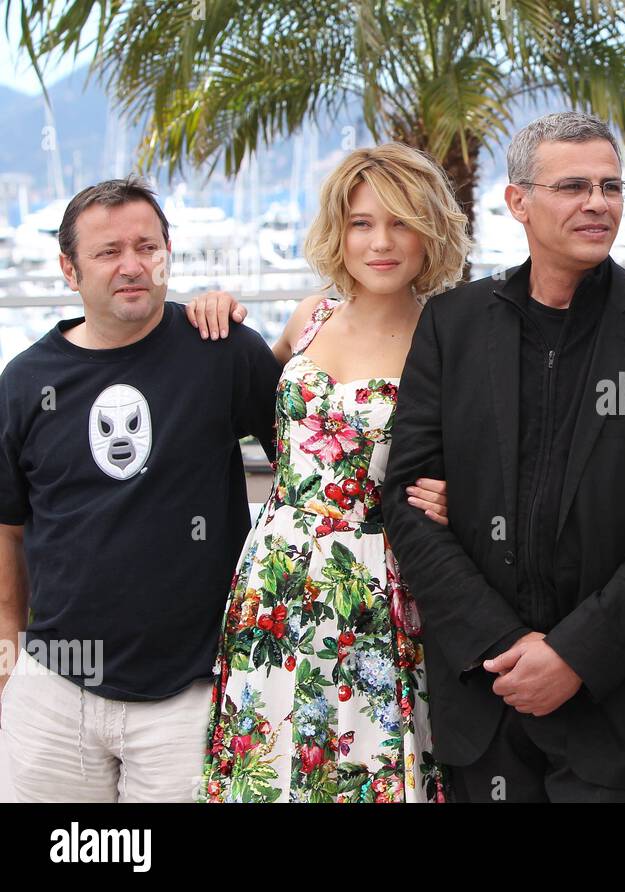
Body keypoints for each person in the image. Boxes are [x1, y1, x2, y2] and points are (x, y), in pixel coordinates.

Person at [382, 112, 625, 802]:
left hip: (622, 705)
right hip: (486, 698)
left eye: (610, 186)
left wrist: (572, 655)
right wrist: (503, 644)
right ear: (518, 202)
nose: (597, 203)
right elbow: (407, 501)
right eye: (572, 186)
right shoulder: (451, 325)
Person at [192, 143, 471, 802]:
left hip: (378, 586)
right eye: (361, 222)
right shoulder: (310, 315)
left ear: (430, 230)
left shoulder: (448, 338)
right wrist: (213, 311)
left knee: (362, 768)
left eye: (401, 221)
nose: (381, 242)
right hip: (275, 578)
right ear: (337, 231)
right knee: (271, 769)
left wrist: (467, 495)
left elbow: (493, 452)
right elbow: (248, 390)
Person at [0, 177, 280, 802]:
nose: (132, 266)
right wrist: (7, 647)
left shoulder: (221, 350)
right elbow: (7, 523)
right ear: (69, 269)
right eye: (107, 252)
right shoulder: (24, 383)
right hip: (55, 684)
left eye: (146, 247)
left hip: (190, 689)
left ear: (167, 252)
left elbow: (310, 452)